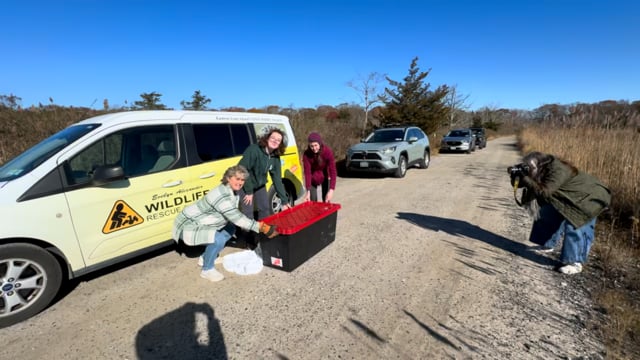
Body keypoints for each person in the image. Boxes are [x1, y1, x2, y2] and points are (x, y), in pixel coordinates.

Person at [509, 151, 611, 275]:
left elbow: (545, 192)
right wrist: (516, 176)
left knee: (576, 224)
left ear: (539, 165)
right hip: (569, 196)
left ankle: (575, 262)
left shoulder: (558, 169)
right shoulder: (541, 169)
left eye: (530, 169)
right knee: (547, 211)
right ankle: (547, 244)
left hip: (590, 197)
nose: (529, 171)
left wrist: (526, 179)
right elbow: (526, 185)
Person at [172, 165, 278, 282]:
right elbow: (237, 218)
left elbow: (233, 218)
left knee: (230, 228)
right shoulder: (221, 195)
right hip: (189, 224)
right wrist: (262, 227)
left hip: (203, 222)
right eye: (237, 179)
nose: (240, 182)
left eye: (242, 180)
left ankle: (206, 257)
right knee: (218, 239)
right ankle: (207, 269)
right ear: (228, 178)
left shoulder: (231, 191)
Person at [238, 127, 291, 220]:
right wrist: (249, 191)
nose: (275, 141)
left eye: (278, 140)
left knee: (265, 208)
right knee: (248, 212)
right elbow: (241, 168)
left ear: (280, 144)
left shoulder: (275, 157)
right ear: (267, 138)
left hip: (260, 184)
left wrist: (284, 201)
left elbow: (277, 179)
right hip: (244, 183)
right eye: (273, 138)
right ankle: (247, 234)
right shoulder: (254, 150)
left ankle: (263, 231)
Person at [302, 132, 337, 202]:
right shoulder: (306, 155)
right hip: (313, 177)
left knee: (326, 199)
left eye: (316, 145)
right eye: (311, 146)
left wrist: (331, 190)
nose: (314, 148)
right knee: (313, 201)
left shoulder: (327, 152)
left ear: (320, 144)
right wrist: (308, 191)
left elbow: (333, 171)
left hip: (325, 176)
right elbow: (307, 173)